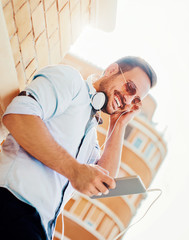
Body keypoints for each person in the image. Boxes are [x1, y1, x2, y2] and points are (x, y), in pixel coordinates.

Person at [0, 56, 157, 240]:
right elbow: (18, 115)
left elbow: (105, 180)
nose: (128, 100)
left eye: (135, 101)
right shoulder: (71, 80)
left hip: (39, 228)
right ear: (112, 70)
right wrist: (75, 171)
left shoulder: (90, 134)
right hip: (11, 205)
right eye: (130, 88)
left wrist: (119, 124)